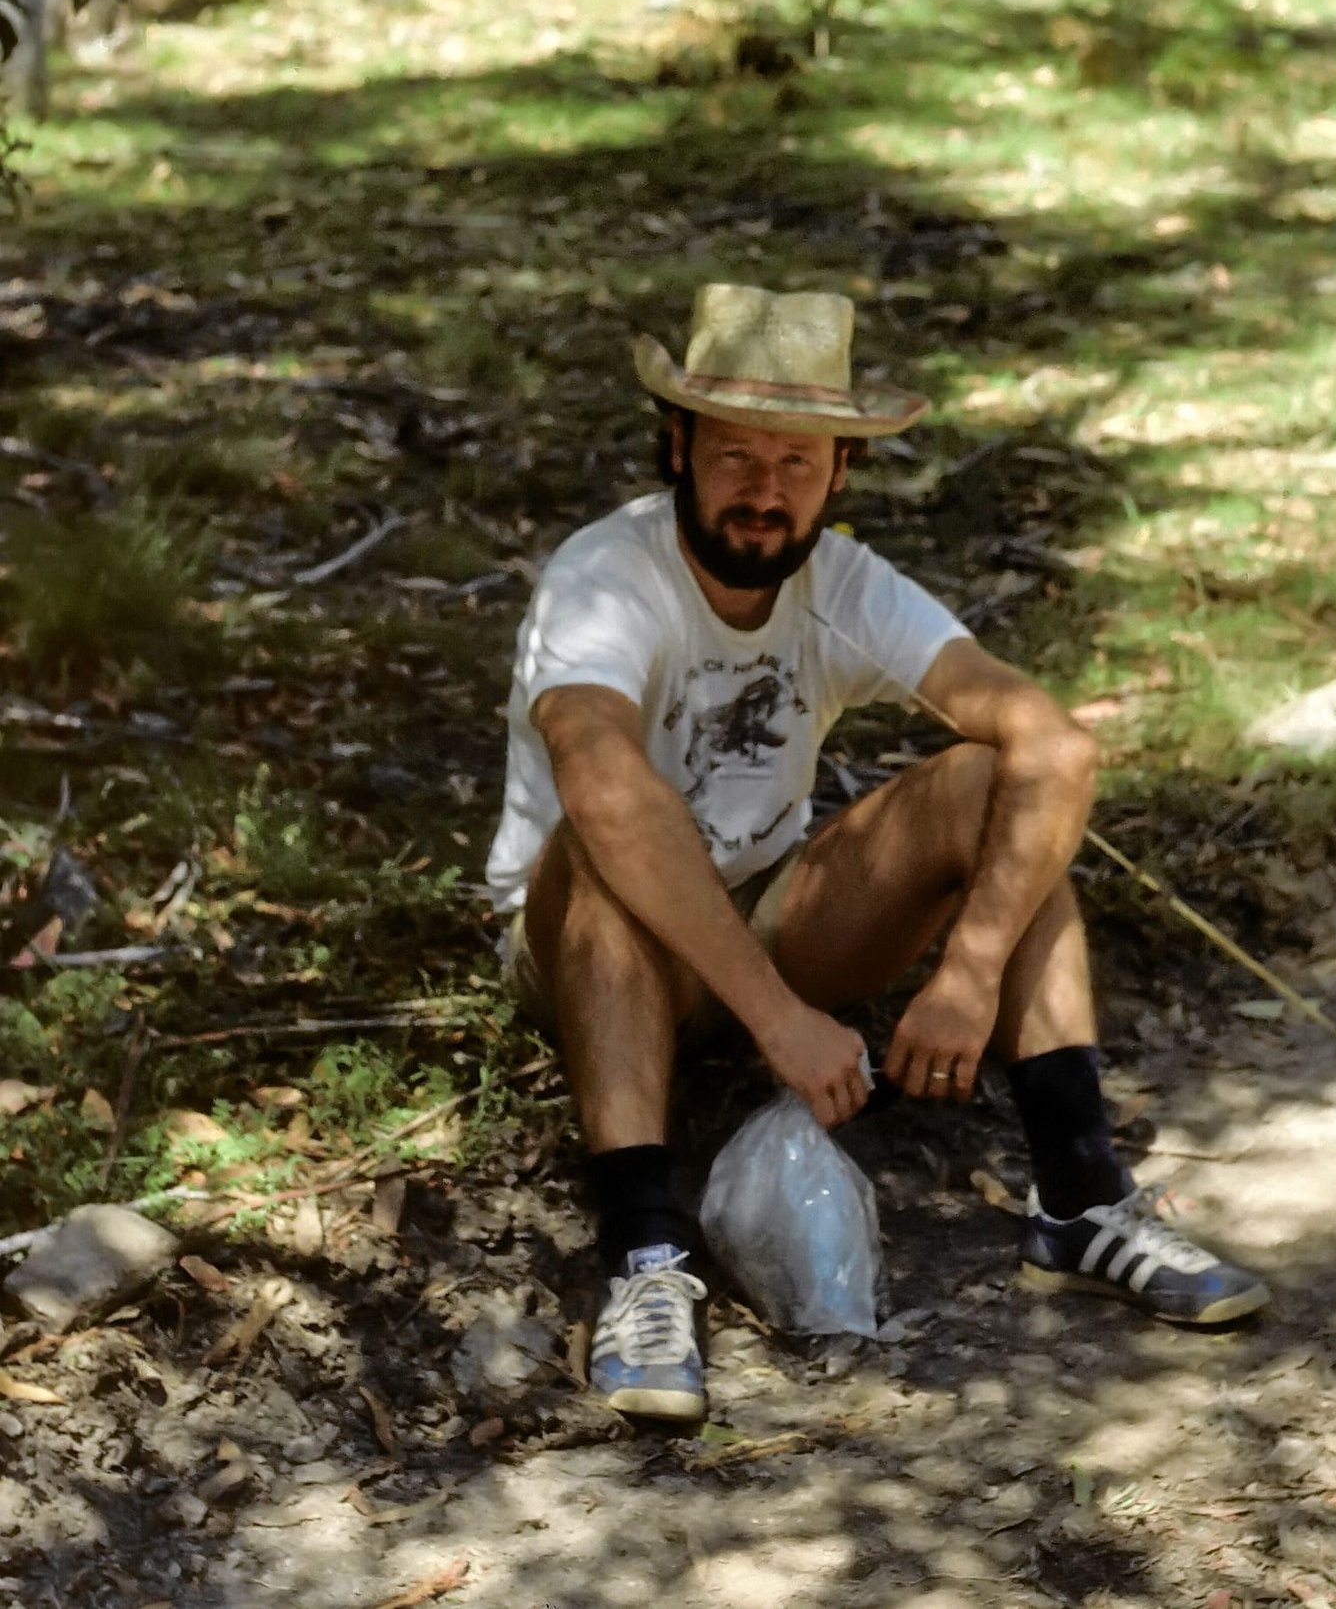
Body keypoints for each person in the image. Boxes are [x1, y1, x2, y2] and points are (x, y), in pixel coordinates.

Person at [487, 283, 1267, 1420]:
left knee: (996, 785)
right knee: (608, 826)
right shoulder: (607, 574)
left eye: (797, 462)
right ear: (677, 447)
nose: (765, 490)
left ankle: (1082, 1198)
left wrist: (969, 968)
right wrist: (778, 1017)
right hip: (583, 938)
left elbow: (1051, 744)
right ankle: (646, 1256)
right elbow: (600, 781)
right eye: (737, 456)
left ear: (840, 471)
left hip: (759, 909)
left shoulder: (837, 582)